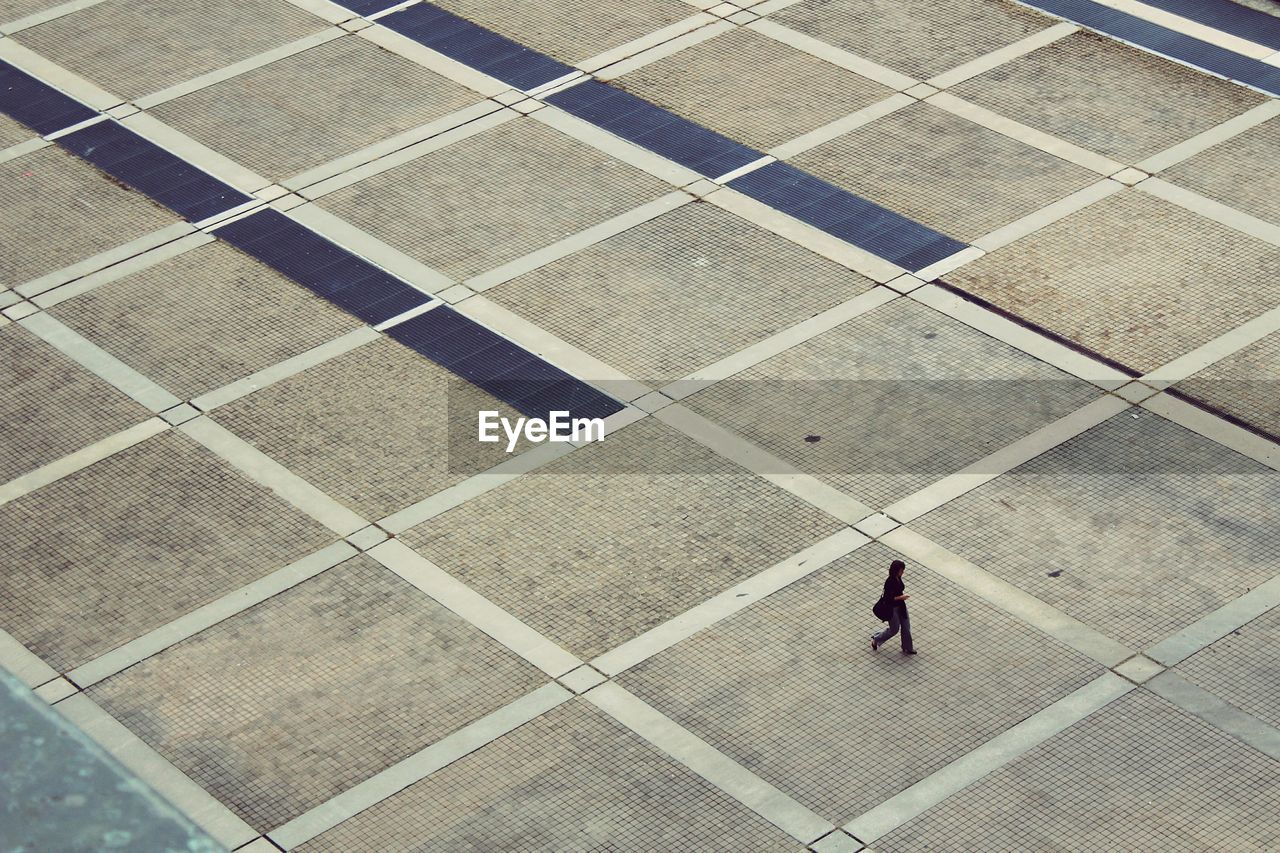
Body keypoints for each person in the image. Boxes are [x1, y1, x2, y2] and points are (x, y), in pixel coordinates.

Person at [872, 559, 916, 654]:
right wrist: (901, 597)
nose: (903, 572)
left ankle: (907, 647)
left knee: (906, 626)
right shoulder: (890, 581)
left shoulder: (898, 577)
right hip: (892, 609)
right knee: (894, 629)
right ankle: (877, 639)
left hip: (901, 606)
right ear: (896, 570)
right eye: (901, 570)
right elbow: (888, 598)